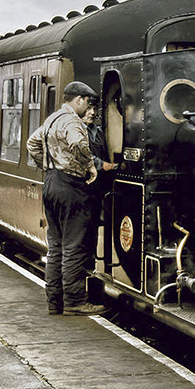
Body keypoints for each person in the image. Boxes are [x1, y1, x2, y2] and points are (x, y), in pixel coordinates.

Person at [26, 81, 107, 316]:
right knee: (74, 246)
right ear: (79, 100)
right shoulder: (72, 121)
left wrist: (47, 165)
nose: (88, 109)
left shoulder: (52, 119)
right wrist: (90, 166)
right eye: (87, 103)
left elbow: (32, 143)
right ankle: (74, 301)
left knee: (56, 246)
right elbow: (79, 144)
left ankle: (55, 301)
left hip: (51, 183)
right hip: (71, 186)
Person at [81, 105, 117, 273]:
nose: (93, 113)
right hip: (82, 188)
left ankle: (90, 267)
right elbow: (84, 155)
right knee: (81, 231)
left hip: (97, 188)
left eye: (95, 109)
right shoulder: (76, 131)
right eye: (89, 108)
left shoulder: (99, 131)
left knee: (93, 228)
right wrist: (105, 165)